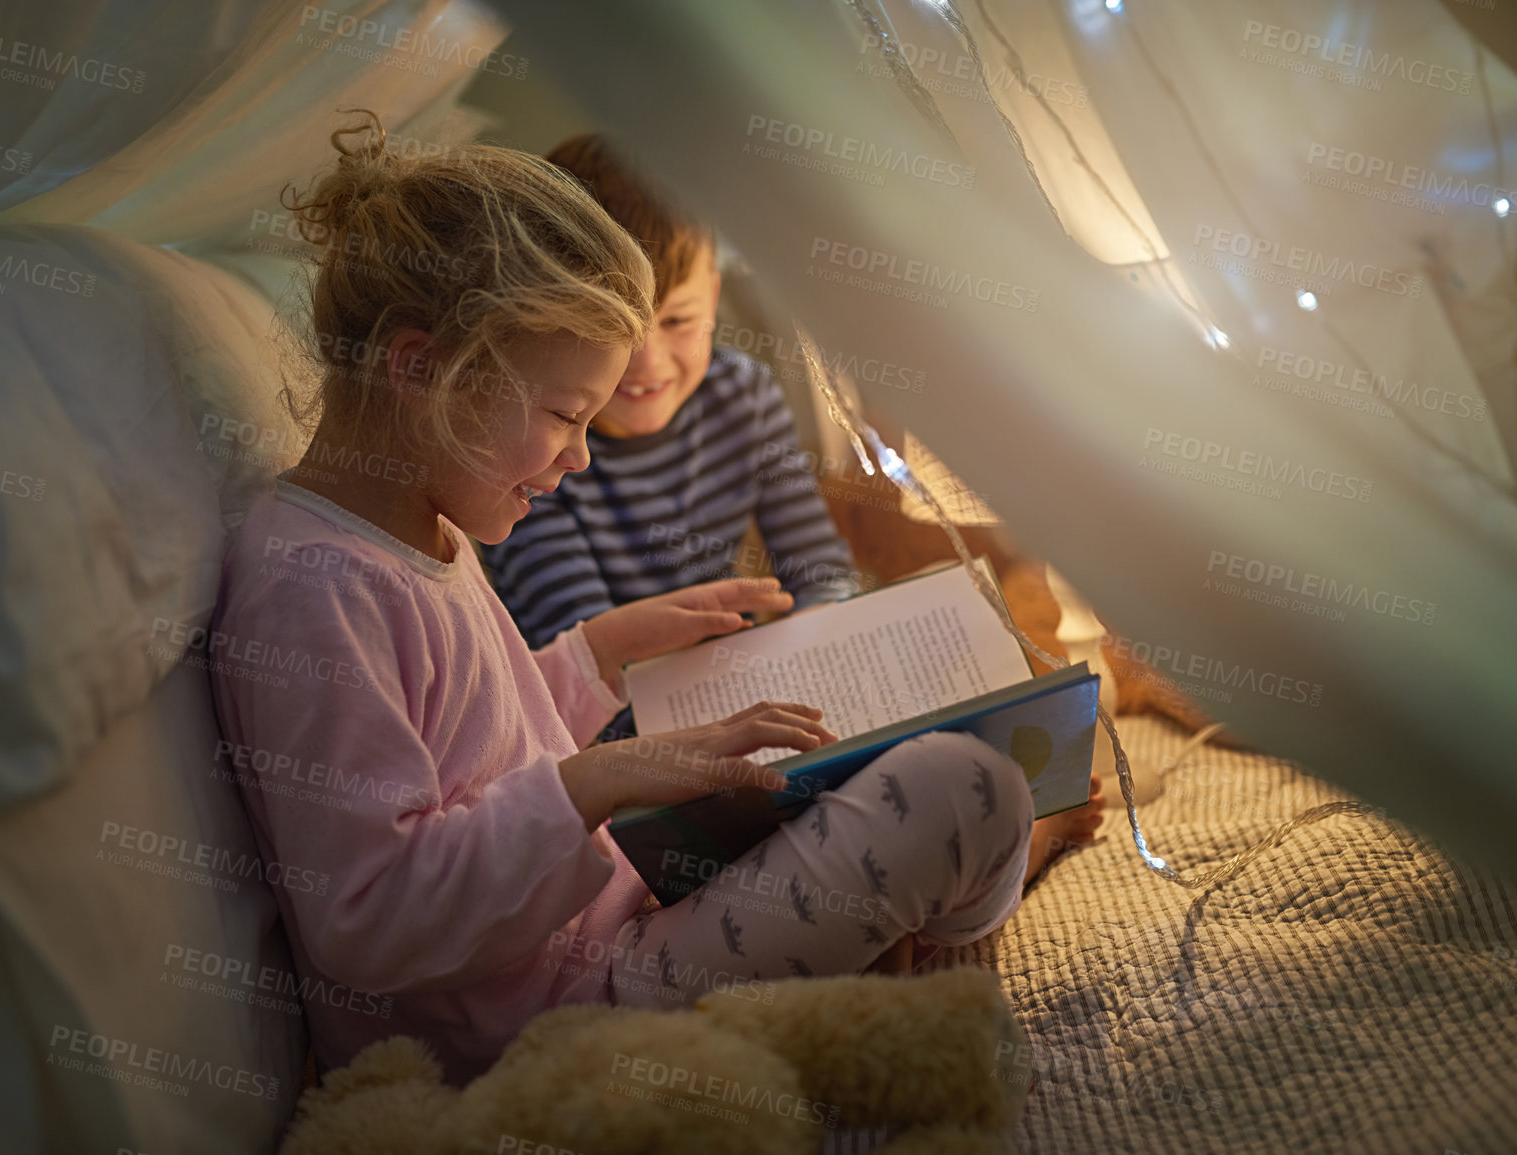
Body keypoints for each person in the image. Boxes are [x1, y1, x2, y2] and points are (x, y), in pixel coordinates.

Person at [207, 113, 1041, 1086]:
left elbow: (480, 756)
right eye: (566, 416)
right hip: (536, 1026)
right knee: (969, 790)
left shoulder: (418, 519)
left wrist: (590, 657)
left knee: (892, 764)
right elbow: (368, 916)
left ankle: (912, 909)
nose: (580, 456)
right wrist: (603, 781)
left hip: (606, 923)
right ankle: (943, 923)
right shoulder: (316, 592)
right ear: (422, 368)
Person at [481, 134, 862, 745]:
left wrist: (825, 631)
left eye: (678, 321)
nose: (647, 362)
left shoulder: (743, 393)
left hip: (736, 702)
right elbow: (590, 671)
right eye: (613, 327)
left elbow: (819, 568)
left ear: (712, 295)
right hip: (610, 741)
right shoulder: (540, 450)